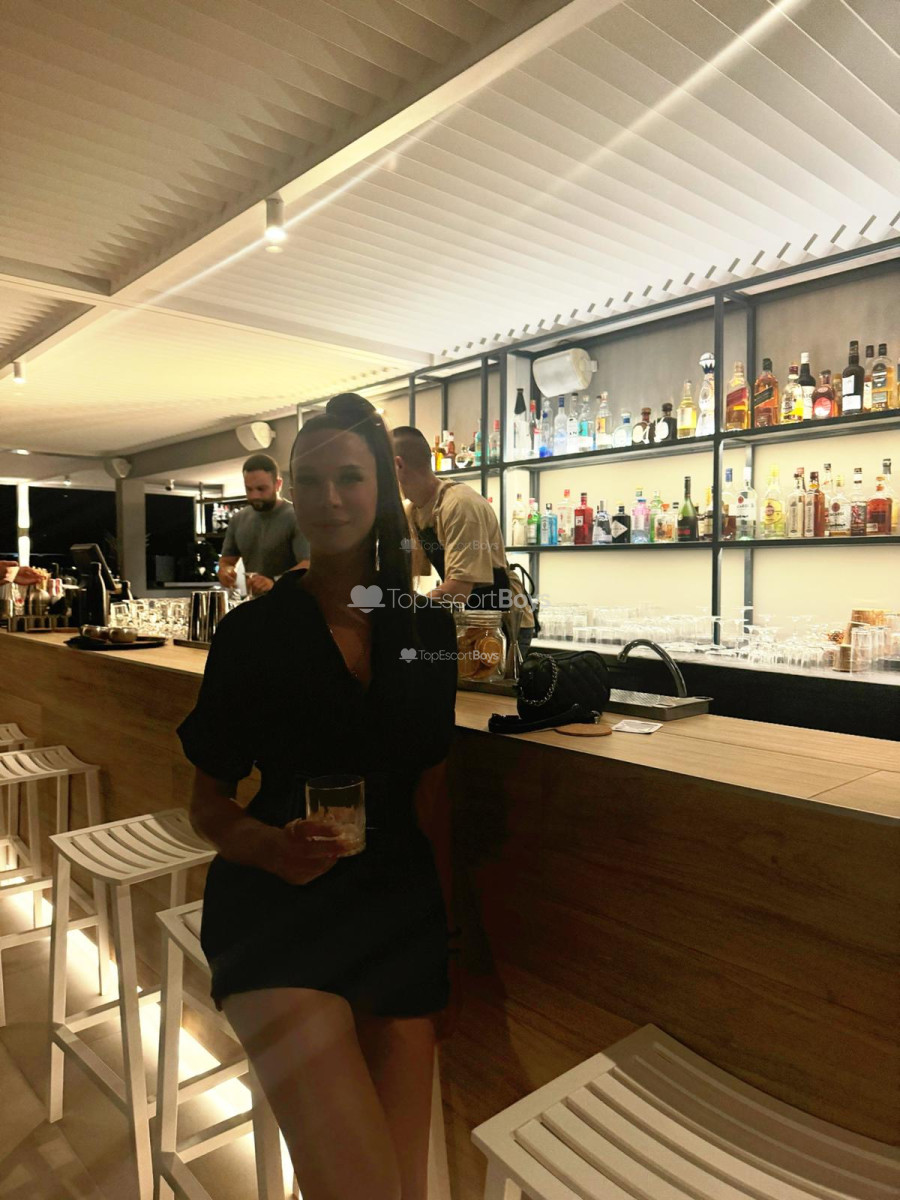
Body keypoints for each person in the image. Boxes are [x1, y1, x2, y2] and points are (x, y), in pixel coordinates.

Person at [178, 394, 459, 1200]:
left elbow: (432, 797)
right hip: (278, 914)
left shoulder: (425, 630)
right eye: (311, 480)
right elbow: (208, 805)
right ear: (291, 491)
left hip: (397, 911)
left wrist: (447, 942)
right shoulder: (253, 633)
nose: (329, 498)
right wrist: (271, 847)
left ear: (382, 491)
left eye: (350, 478)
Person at [393, 426, 536, 658]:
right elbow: (413, 572)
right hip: (468, 619)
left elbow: (458, 590)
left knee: (488, 684)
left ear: (397, 466)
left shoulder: (459, 505)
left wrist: (405, 612)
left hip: (502, 621)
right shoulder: (415, 510)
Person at [217, 453, 309, 596]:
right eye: (249, 489)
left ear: (278, 484)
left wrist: (274, 582)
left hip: (293, 602)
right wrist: (225, 571)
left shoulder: (297, 517)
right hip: (256, 603)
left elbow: (309, 564)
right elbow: (226, 562)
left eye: (261, 489)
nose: (254, 496)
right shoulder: (238, 519)